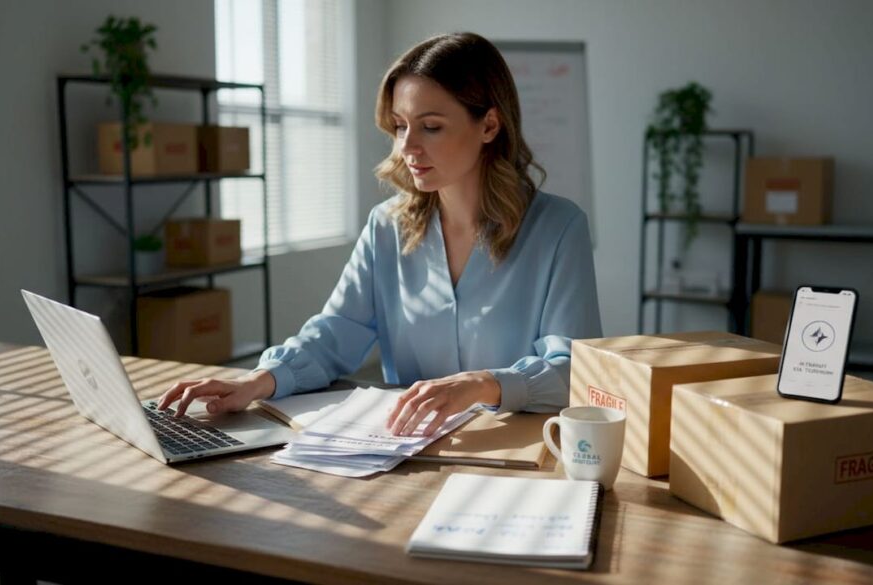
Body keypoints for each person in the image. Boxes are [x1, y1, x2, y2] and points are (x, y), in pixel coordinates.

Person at [158, 32, 601, 437]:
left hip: (517, 451)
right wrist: (260, 379)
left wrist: (485, 384)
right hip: (405, 450)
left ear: (489, 125)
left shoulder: (558, 229)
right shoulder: (386, 226)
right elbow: (335, 332)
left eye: (430, 126)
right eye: (400, 125)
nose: (407, 147)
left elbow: (572, 372)